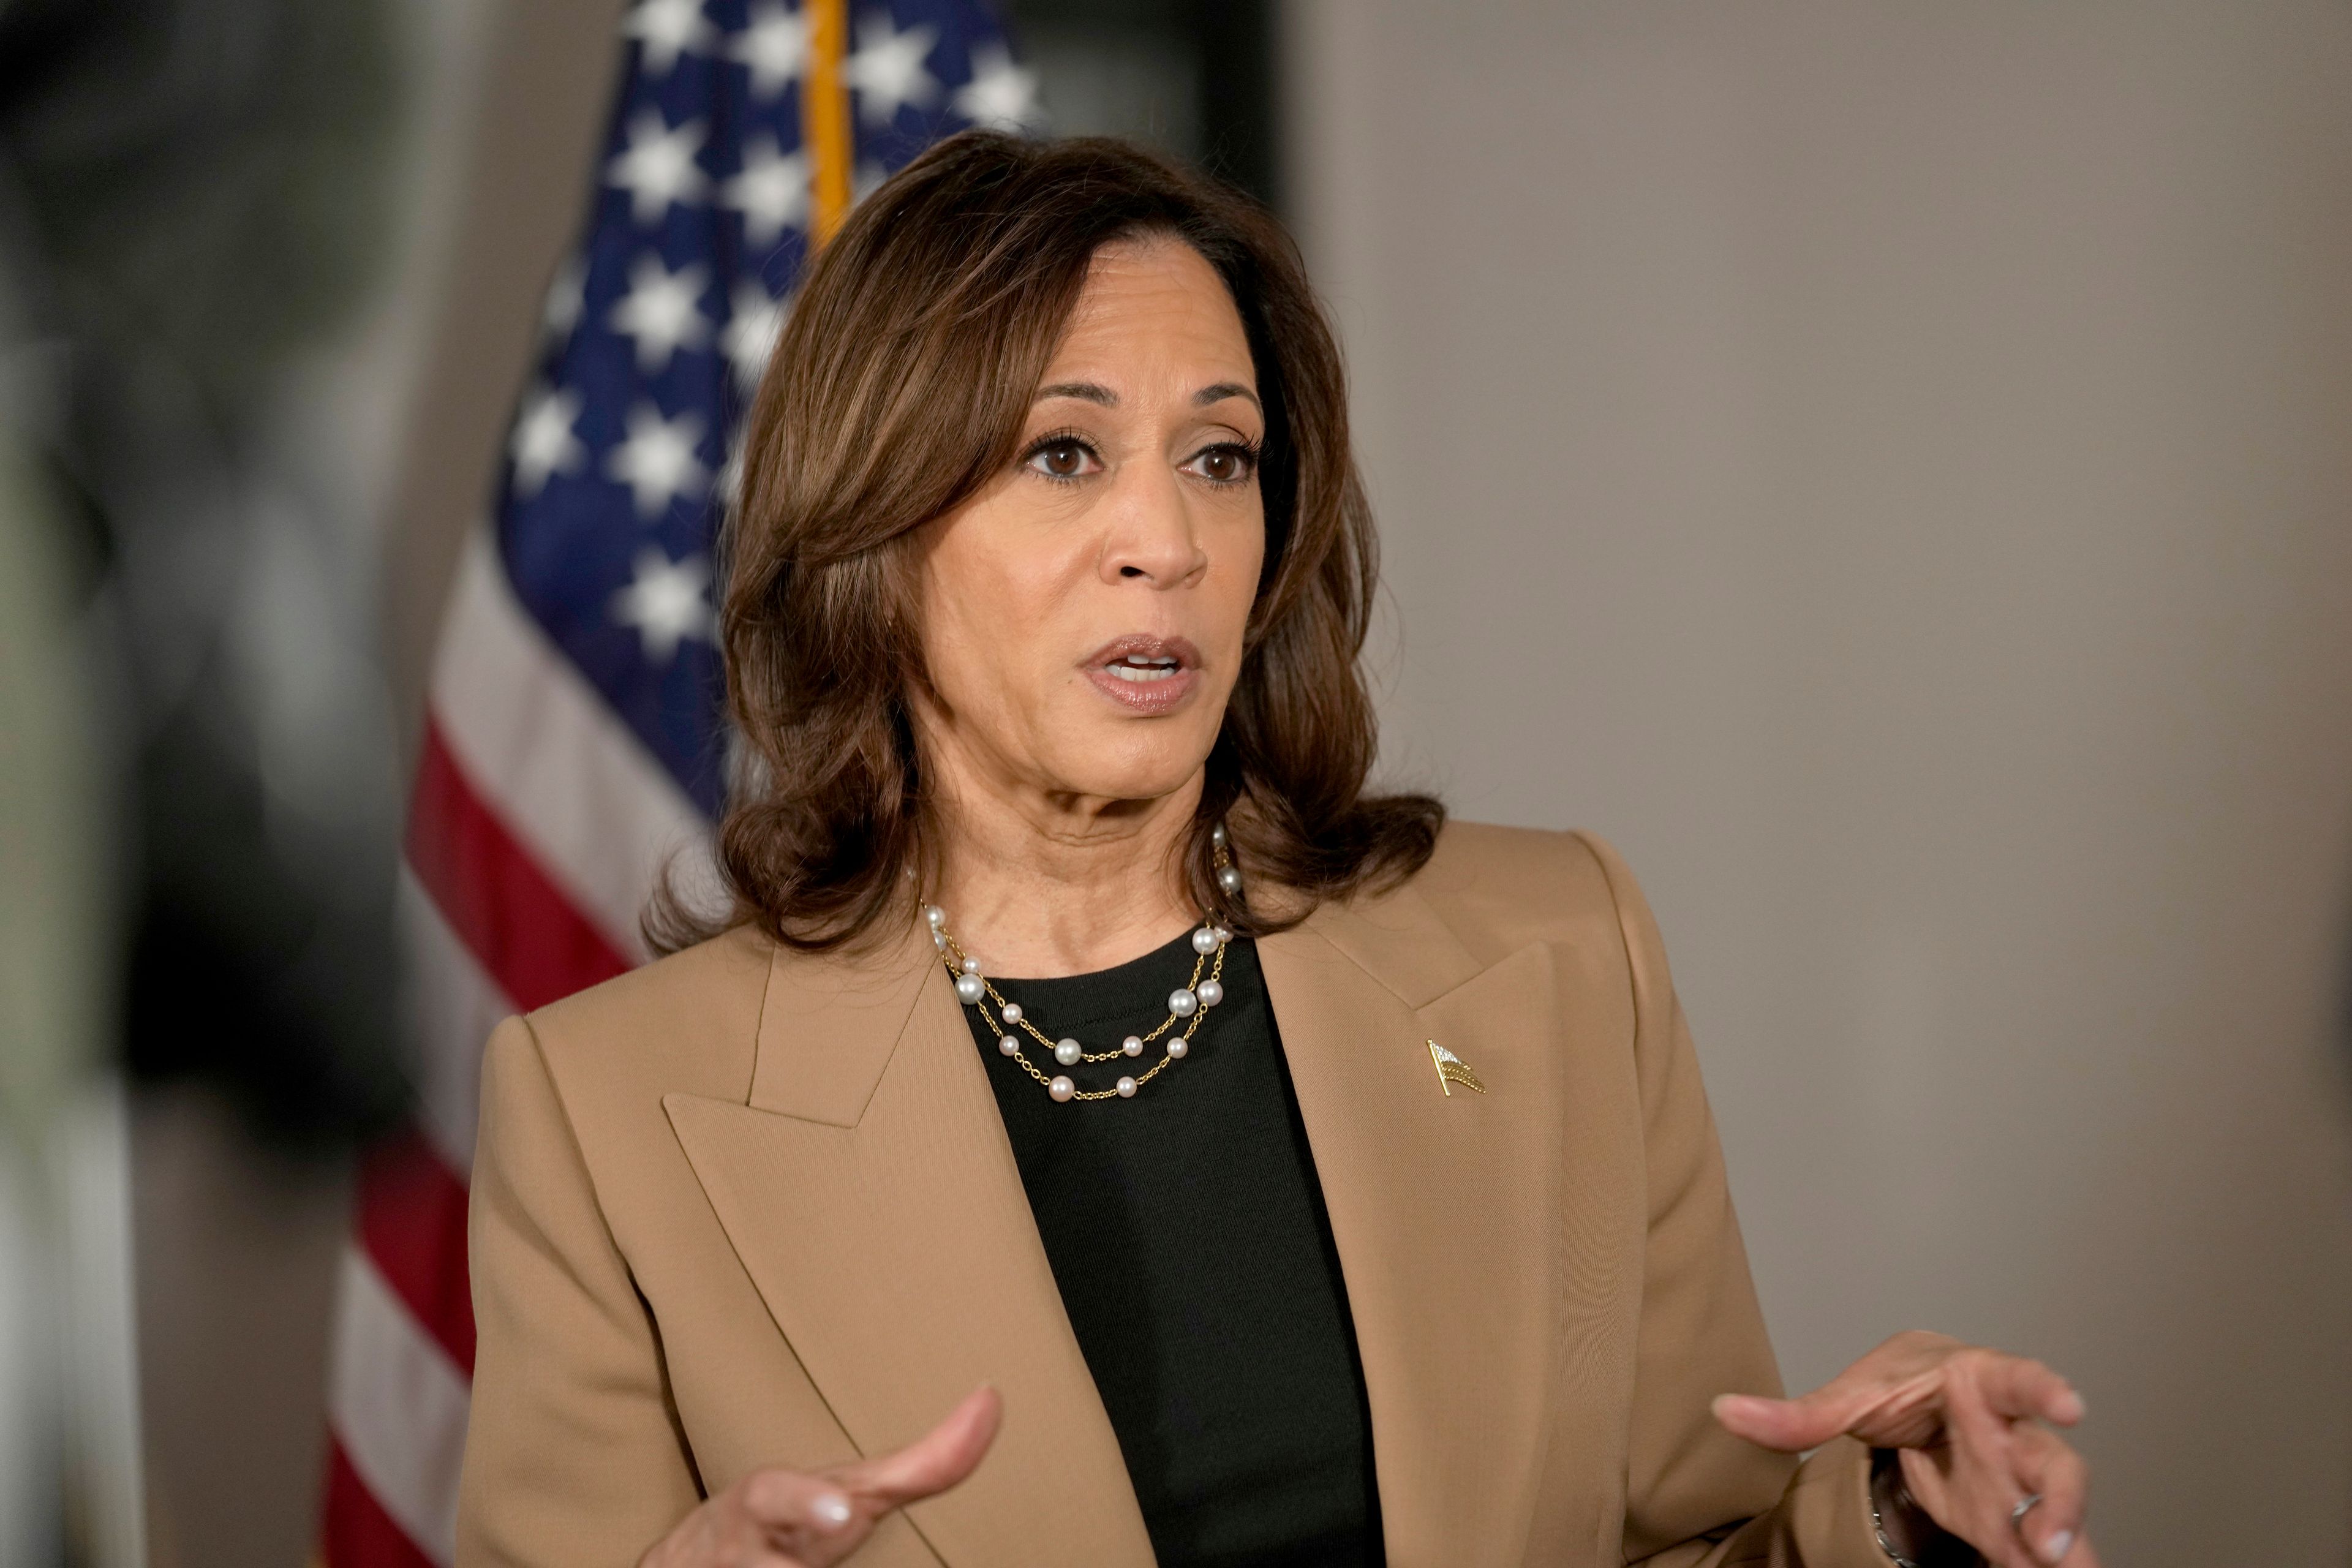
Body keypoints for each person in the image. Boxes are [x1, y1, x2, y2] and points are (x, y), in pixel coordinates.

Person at [455, 133, 2095, 1568]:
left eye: (1220, 458)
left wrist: (1885, 1526)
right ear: (879, 532)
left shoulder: (1558, 953)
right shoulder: (609, 1124)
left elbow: (1687, 1541)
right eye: (1063, 453)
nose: (1164, 543)